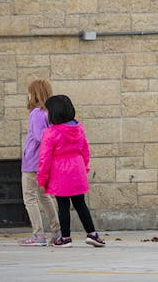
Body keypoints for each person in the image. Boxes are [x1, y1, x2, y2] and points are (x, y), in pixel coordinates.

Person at [38, 94, 105, 248]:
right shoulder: (79, 128)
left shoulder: (50, 133)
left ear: (54, 112)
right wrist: (85, 167)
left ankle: (66, 237)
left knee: (63, 206)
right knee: (81, 204)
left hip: (60, 173)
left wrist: (42, 179)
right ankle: (92, 234)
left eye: (47, 111)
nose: (46, 114)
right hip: (77, 170)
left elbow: (44, 159)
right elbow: (85, 150)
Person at [18, 79, 60, 246]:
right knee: (45, 196)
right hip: (45, 161)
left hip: (33, 161)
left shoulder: (36, 113)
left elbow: (39, 136)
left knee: (30, 197)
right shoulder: (49, 113)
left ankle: (38, 235)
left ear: (34, 94)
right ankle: (57, 231)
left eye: (29, 92)